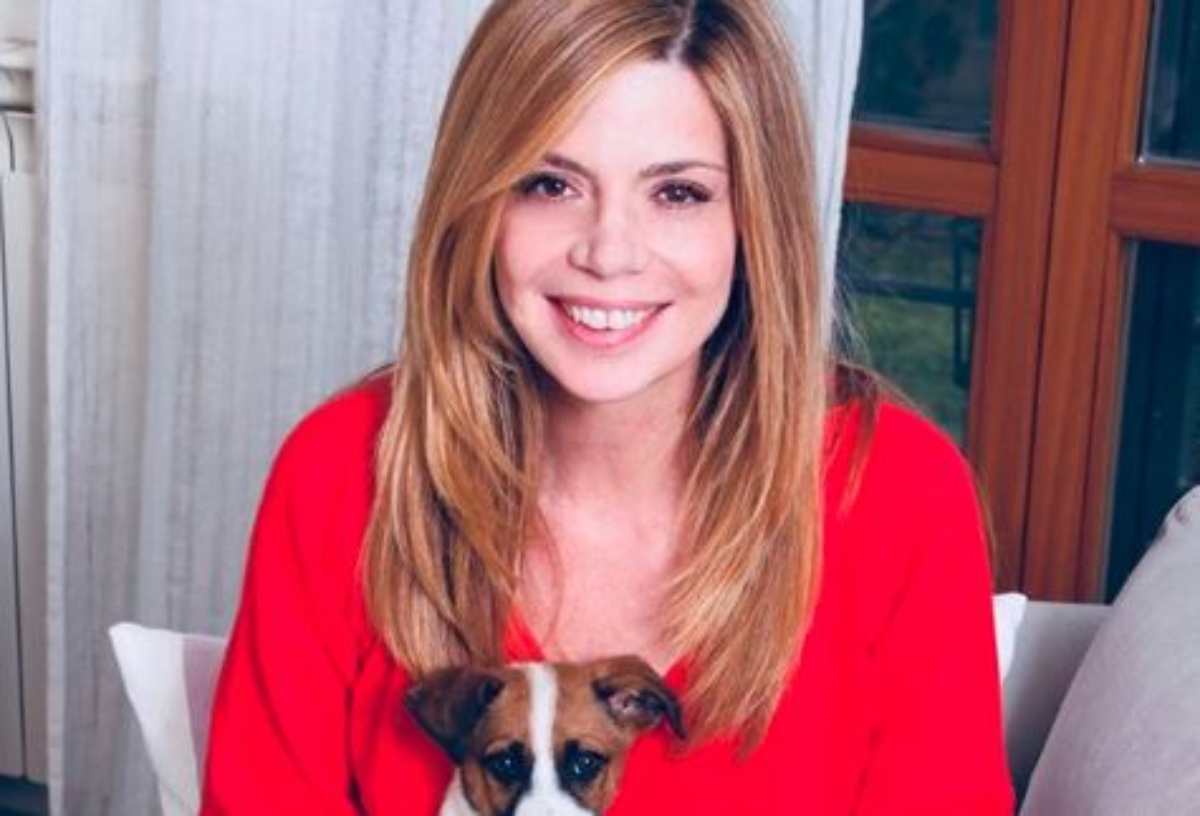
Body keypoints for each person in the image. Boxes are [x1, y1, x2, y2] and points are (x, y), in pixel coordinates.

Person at [200, 0, 1014, 813]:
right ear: (476, 205)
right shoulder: (343, 469)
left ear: (754, 223)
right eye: (550, 184)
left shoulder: (895, 492)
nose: (609, 252)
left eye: (679, 193)